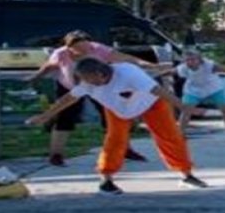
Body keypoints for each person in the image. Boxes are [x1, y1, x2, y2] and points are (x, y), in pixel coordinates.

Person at [26, 59, 207, 195]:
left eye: (90, 79)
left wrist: (183, 107)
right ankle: (106, 180)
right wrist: (45, 116)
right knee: (115, 140)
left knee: (169, 136)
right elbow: (68, 98)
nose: (87, 83)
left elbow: (158, 90)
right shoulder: (87, 83)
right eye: (84, 80)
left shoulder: (128, 73)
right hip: (117, 109)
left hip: (152, 103)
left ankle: (186, 174)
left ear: (101, 73)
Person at [24, 30, 154, 166]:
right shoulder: (60, 54)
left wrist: (151, 65)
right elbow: (49, 66)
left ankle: (126, 149)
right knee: (64, 119)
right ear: (69, 47)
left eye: (86, 47)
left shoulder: (98, 49)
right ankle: (56, 155)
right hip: (70, 86)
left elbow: (126, 58)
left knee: (113, 117)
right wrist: (36, 77)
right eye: (79, 49)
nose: (84, 51)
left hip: (97, 86)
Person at [175, 49, 225, 141]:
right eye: (187, 60)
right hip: (193, 91)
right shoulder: (182, 68)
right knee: (186, 111)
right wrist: (157, 75)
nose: (190, 62)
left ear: (199, 60)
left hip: (213, 89)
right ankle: (180, 134)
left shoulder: (208, 65)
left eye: (193, 59)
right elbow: (170, 71)